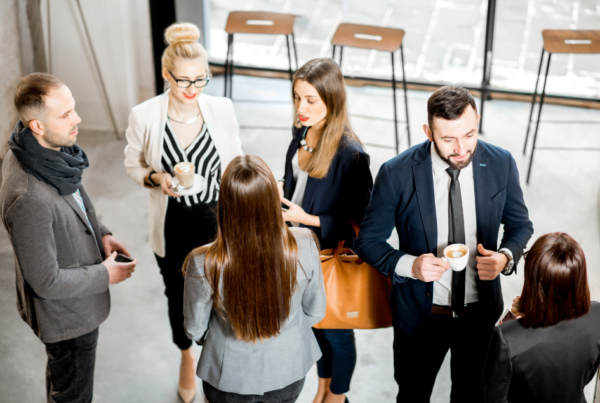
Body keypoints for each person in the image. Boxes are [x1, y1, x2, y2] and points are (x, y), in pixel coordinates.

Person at [355, 86, 534, 403]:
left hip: (479, 317)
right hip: (421, 317)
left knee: (471, 395)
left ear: (477, 120)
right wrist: (409, 265)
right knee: (412, 394)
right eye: (448, 139)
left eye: (469, 134)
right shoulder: (396, 173)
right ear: (428, 132)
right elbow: (368, 241)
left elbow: (520, 225)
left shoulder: (501, 163)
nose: (462, 148)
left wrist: (505, 257)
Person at [123, 22, 243, 402]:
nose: (192, 90)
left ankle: (217, 357)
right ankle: (185, 356)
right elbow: (132, 166)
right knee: (177, 292)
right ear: (165, 75)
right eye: (183, 82)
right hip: (173, 221)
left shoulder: (221, 109)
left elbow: (236, 162)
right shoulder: (145, 116)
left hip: (217, 219)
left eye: (201, 80)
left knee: (222, 291)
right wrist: (156, 178)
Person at [0, 72, 136, 402]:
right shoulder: (28, 198)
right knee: (72, 394)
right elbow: (45, 282)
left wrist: (101, 233)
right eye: (65, 114)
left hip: (76, 302)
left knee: (64, 384)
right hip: (68, 321)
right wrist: (105, 273)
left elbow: (74, 195)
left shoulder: (48, 152)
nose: (77, 119)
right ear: (37, 126)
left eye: (73, 108)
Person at [183, 155, 326, 403]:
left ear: (225, 204)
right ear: (272, 198)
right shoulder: (304, 243)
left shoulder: (203, 261)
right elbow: (315, 312)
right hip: (287, 368)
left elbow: (195, 328)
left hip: (228, 377)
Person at [277, 58, 373, 403]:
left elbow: (365, 224)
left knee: (336, 333)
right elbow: (296, 182)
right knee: (313, 325)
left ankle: (337, 395)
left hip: (325, 254)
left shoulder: (351, 156)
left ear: (332, 100)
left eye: (310, 100)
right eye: (297, 97)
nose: (301, 108)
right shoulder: (301, 131)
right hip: (296, 250)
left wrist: (309, 219)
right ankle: (323, 386)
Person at [482, 232, 600, 403]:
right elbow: (585, 375)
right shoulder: (597, 315)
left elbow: (491, 398)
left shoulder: (506, 337)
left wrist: (509, 326)